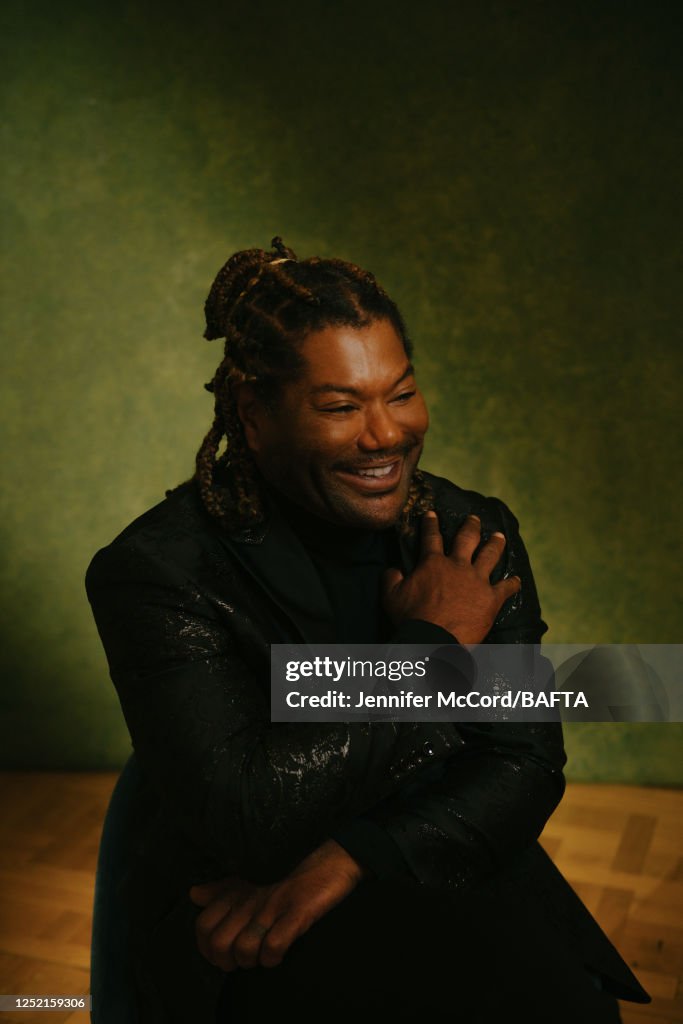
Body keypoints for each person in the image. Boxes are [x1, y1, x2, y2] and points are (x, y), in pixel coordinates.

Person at [86, 238, 650, 1023]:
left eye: (401, 392)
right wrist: (430, 647)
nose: (385, 435)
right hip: (238, 892)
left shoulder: (466, 533)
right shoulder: (159, 573)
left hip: (433, 846)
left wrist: (351, 857)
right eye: (340, 406)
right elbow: (249, 812)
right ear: (253, 416)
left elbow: (521, 760)